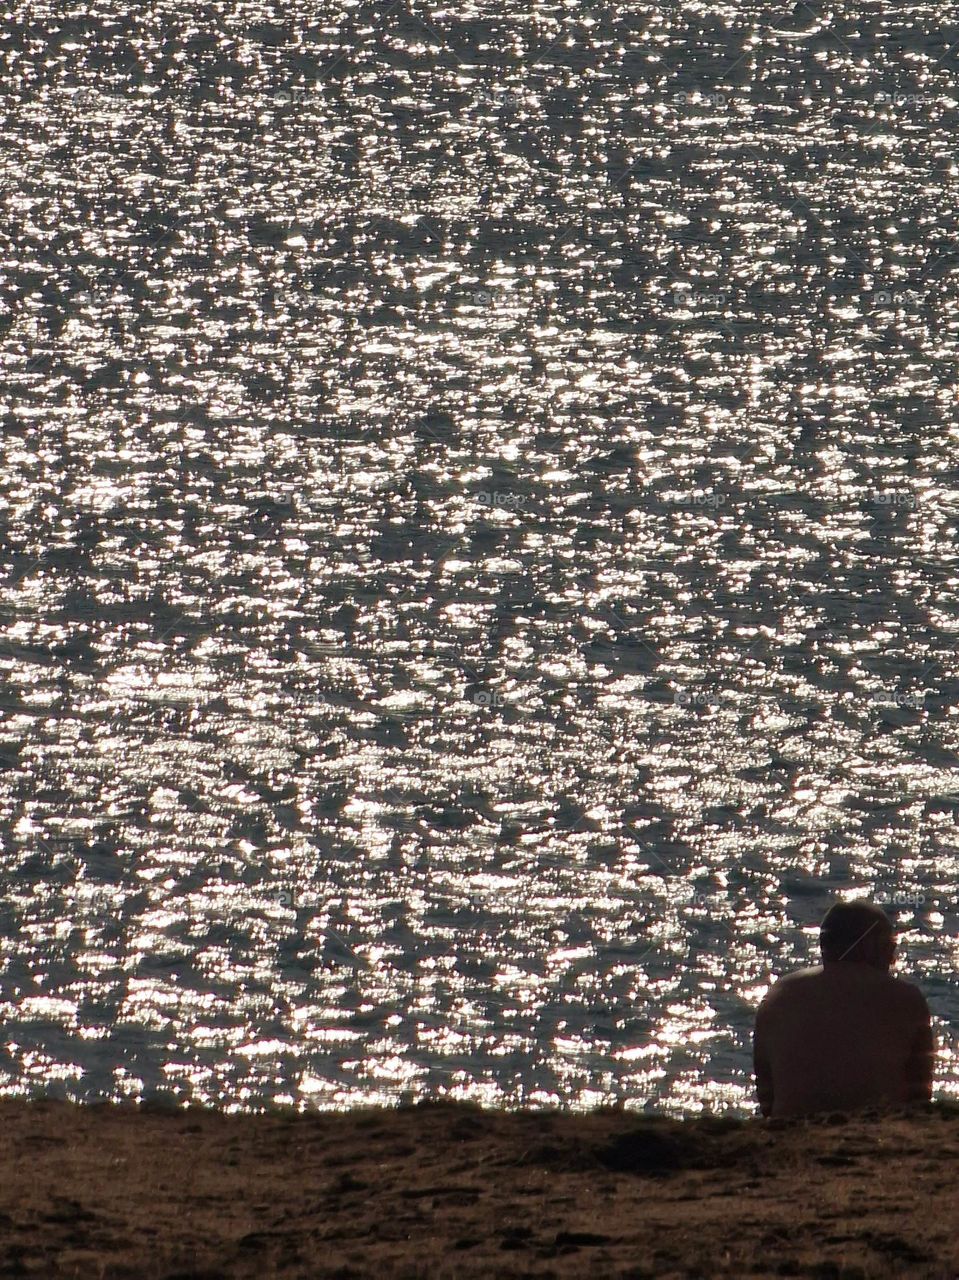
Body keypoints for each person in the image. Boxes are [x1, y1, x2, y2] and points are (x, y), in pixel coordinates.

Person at [753, 899, 934, 1118]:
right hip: (875, 1130)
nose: (893, 959)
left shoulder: (778, 995)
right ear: (870, 945)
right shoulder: (905, 998)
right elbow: (920, 1098)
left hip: (790, 1128)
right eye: (890, 947)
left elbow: (766, 1093)